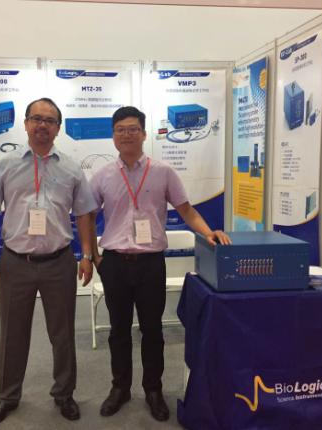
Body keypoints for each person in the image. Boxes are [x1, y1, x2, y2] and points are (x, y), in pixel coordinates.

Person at [89, 106, 231, 422]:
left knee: (152, 330)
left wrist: (209, 232)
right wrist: (92, 255)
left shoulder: (163, 172)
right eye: (120, 129)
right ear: (113, 136)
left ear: (143, 133)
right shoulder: (102, 175)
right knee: (118, 330)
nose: (126, 134)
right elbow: (86, 214)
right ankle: (120, 388)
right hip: (114, 263)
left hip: (151, 264)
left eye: (132, 129)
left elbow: (186, 209)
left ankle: (153, 390)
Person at [0, 98, 97, 427]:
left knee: (63, 333)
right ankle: (7, 395)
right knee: (12, 333)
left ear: (58, 128)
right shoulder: (5, 165)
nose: (42, 125)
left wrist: (87, 256)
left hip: (59, 262)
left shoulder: (71, 168)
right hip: (16, 262)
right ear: (26, 124)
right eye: (36, 119)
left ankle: (64, 393)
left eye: (50, 120)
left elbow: (84, 215)